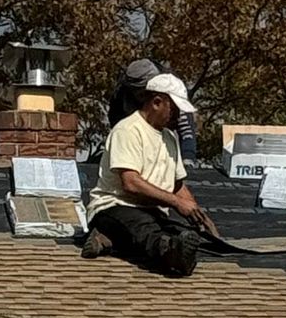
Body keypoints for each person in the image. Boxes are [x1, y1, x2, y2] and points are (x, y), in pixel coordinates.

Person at [79, 71, 212, 277]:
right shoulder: (128, 130)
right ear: (157, 102)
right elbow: (131, 183)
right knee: (145, 230)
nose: (178, 116)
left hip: (151, 211)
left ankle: (108, 240)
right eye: (175, 110)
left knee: (181, 233)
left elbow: (178, 185)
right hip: (115, 207)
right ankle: (171, 255)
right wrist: (176, 203)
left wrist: (199, 216)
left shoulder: (169, 138)